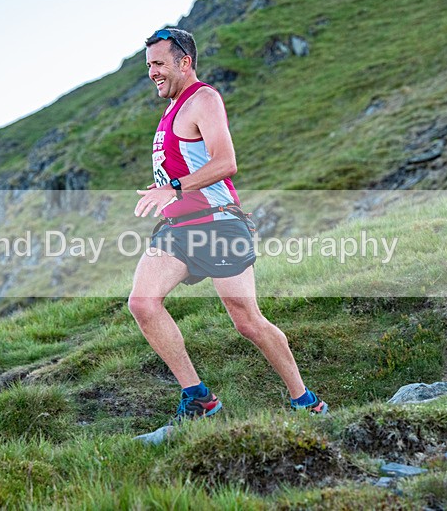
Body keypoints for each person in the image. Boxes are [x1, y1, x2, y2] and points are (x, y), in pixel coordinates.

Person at [128, 27, 327, 425]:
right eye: (149, 65)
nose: (152, 73)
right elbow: (188, 164)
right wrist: (166, 187)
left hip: (218, 225)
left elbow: (225, 163)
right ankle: (198, 398)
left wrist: (177, 187)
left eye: (159, 64)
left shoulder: (204, 99)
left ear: (184, 62)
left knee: (247, 321)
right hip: (179, 229)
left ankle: (305, 400)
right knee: (143, 303)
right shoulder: (171, 109)